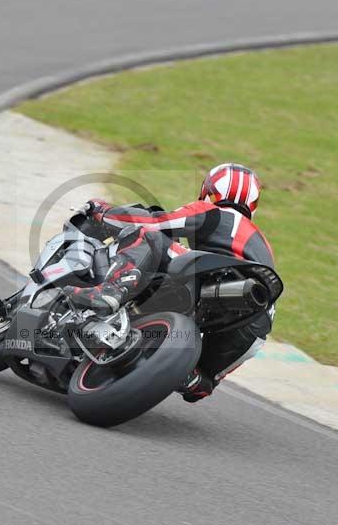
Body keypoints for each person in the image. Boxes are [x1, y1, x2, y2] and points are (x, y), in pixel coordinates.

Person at [63, 163, 275, 402]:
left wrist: (102, 211)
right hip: (255, 319)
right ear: (253, 204)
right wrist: (212, 376)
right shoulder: (264, 244)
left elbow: (154, 223)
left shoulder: (212, 212)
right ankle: (196, 377)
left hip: (216, 278)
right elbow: (257, 337)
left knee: (148, 236)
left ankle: (111, 290)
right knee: (202, 381)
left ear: (209, 190)